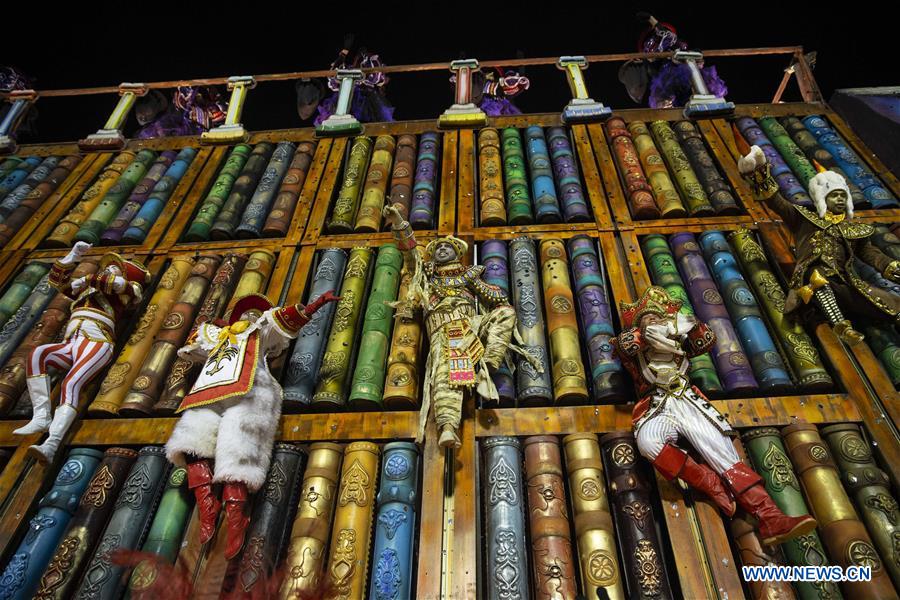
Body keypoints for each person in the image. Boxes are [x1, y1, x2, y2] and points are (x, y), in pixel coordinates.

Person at [612, 286, 817, 546]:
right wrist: (648, 333)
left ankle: (770, 517)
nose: (654, 321)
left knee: (722, 452)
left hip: (687, 400)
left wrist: (689, 324)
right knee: (648, 442)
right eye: (647, 319)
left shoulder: (678, 341)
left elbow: (707, 340)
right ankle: (709, 482)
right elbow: (622, 346)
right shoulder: (634, 346)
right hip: (657, 403)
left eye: (658, 317)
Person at [164, 291, 338, 558]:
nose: (249, 315)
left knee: (240, 446)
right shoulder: (218, 337)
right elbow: (190, 348)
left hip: (251, 389)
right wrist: (211, 326)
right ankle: (206, 502)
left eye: (254, 313)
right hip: (210, 390)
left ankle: (236, 516)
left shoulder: (260, 332)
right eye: (244, 313)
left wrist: (314, 306)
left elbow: (287, 318)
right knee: (191, 437)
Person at [383, 203, 526, 448]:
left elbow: (498, 299)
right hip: (444, 328)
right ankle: (448, 427)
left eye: (447, 247)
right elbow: (410, 253)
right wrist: (398, 221)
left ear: (458, 253)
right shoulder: (427, 275)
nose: (441, 249)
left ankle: (488, 364)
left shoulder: (470, 275)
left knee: (505, 312)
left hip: (472, 326)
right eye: (438, 247)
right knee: (447, 373)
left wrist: (481, 291)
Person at [738, 144, 900, 344]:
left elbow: (870, 254)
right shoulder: (804, 219)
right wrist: (758, 172)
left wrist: (890, 266)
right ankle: (842, 326)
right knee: (818, 277)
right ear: (823, 198)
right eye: (834, 195)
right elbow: (776, 202)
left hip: (844, 283)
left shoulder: (854, 229)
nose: (839, 199)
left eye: (843, 195)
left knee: (892, 304)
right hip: (809, 281)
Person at [13, 242, 150, 463]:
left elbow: (113, 284)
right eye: (108, 267)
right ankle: (41, 415)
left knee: (70, 384)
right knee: (38, 354)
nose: (108, 269)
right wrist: (73, 255)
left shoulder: (129, 290)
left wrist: (85, 279)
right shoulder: (88, 290)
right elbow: (59, 283)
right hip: (73, 340)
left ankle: (52, 443)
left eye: (114, 268)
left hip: (97, 341)